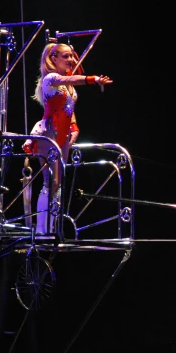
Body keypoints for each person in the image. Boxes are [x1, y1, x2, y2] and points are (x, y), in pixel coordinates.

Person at [22, 41, 113, 234]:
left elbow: (69, 110)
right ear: (53, 59)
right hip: (49, 133)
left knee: (58, 182)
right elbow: (74, 81)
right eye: (66, 56)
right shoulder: (51, 79)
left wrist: (75, 128)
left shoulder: (68, 86)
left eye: (72, 56)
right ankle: (41, 231)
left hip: (62, 136)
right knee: (50, 181)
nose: (71, 60)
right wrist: (93, 79)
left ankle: (51, 228)